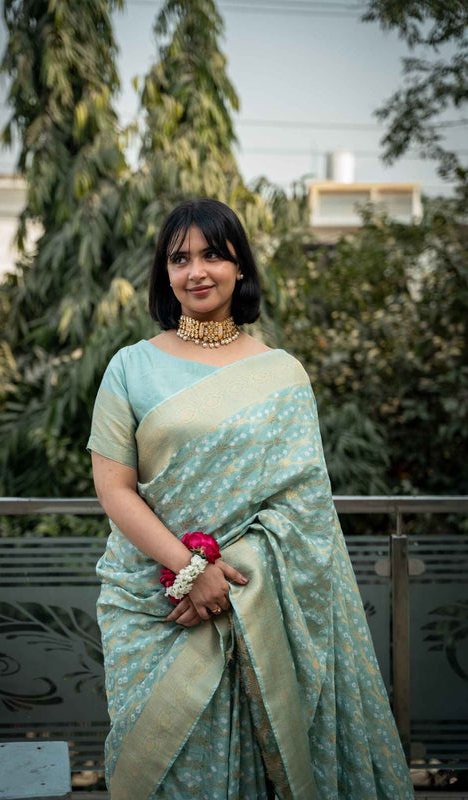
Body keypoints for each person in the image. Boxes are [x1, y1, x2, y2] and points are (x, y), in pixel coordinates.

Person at [87, 198, 414, 799]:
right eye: (179, 258)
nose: (196, 271)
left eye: (213, 254)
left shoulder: (282, 375)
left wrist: (226, 578)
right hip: (150, 604)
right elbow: (114, 488)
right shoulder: (129, 368)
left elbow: (302, 510)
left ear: (240, 267)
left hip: (252, 594)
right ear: (164, 273)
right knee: (157, 769)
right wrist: (190, 571)